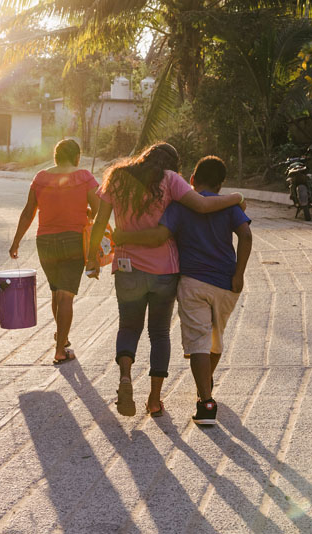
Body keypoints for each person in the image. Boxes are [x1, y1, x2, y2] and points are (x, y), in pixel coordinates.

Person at [85, 143, 245, 418]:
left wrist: (91, 257)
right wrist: (237, 197)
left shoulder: (117, 176)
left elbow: (100, 221)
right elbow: (204, 205)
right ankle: (155, 398)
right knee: (159, 333)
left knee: (128, 327)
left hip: (126, 267)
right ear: (172, 164)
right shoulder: (170, 179)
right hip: (164, 270)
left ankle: (125, 378)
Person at [9, 139, 100, 364]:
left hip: (45, 242)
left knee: (56, 291)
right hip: (73, 241)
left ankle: (63, 338)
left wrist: (16, 241)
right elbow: (100, 210)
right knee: (66, 294)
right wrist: (88, 216)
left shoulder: (41, 177)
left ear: (56, 156)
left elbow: (28, 212)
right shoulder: (84, 177)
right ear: (77, 156)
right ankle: (60, 350)